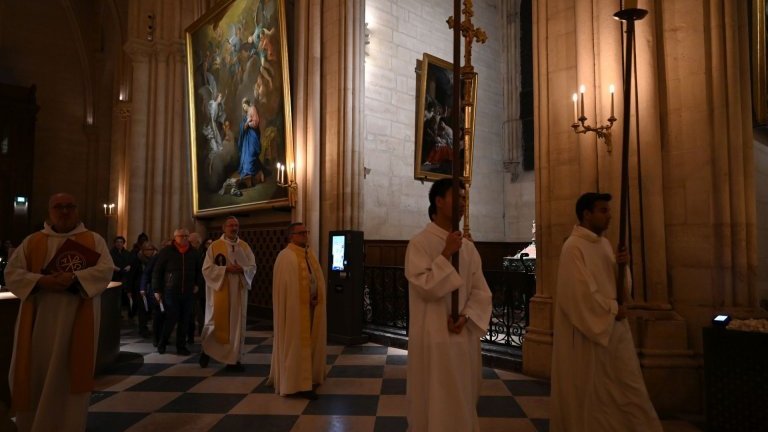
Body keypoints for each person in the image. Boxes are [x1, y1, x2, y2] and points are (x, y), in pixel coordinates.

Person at [550, 192, 662, 432]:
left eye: (609, 210)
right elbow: (578, 295)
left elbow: (619, 288)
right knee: (591, 396)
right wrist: (612, 309)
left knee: (627, 387)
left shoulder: (605, 244)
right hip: (590, 333)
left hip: (613, 327)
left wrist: (623, 265)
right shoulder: (573, 247)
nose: (609, 216)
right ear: (586, 214)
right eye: (603, 211)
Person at [4, 193, 113, 432]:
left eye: (69, 206)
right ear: (49, 211)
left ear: (77, 210)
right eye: (58, 207)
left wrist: (74, 277)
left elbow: (105, 270)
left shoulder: (93, 240)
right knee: (36, 371)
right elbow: (12, 273)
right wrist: (41, 281)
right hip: (38, 322)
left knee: (68, 375)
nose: (64, 212)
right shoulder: (33, 241)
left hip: (77, 319)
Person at [404, 178, 492, 432]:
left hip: (463, 336)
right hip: (433, 337)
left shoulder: (469, 249)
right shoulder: (420, 243)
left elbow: (480, 291)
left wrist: (466, 316)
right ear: (439, 201)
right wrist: (446, 254)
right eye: (457, 197)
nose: (463, 203)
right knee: (436, 399)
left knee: (462, 398)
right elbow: (425, 286)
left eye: (465, 198)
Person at [267, 222, 326, 399]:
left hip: (311, 308)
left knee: (309, 343)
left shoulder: (310, 254)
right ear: (291, 236)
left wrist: (315, 296)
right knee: (295, 344)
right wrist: (304, 298)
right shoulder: (286, 256)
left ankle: (309, 377)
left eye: (306, 232)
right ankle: (296, 383)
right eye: (301, 233)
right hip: (294, 312)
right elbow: (287, 289)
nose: (305, 235)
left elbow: (315, 280)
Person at [199, 217, 257, 370]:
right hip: (220, 290)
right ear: (224, 228)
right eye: (231, 225)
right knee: (214, 323)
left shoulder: (244, 246)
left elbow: (252, 266)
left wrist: (243, 269)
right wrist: (225, 269)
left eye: (236, 225)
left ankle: (233, 360)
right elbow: (206, 269)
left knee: (236, 326)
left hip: (238, 292)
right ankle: (207, 350)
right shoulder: (214, 246)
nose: (234, 228)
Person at [152, 228, 202, 355]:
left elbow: (199, 270)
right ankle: (162, 342)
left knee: (185, 320)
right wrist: (157, 289)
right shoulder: (166, 251)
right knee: (171, 318)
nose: (184, 238)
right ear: (175, 237)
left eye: (186, 236)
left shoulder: (194, 252)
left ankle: (181, 346)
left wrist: (197, 284)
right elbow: (157, 271)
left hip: (188, 291)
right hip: (171, 290)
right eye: (181, 236)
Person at [127, 241, 156, 338]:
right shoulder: (137, 260)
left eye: (151, 249)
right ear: (143, 250)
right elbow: (131, 275)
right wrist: (129, 290)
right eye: (147, 250)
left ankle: (147, 327)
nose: (149, 252)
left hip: (151, 287)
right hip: (139, 288)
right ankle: (142, 329)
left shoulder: (155, 259)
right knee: (142, 309)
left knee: (150, 309)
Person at [237, 98, 263, 187]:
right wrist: (246, 124)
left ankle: (257, 174)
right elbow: (244, 127)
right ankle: (252, 176)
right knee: (246, 158)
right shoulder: (247, 114)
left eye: (244, 106)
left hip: (253, 136)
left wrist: (248, 123)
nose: (243, 108)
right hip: (247, 138)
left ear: (247, 104)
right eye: (243, 107)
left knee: (251, 155)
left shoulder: (252, 109)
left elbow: (256, 123)